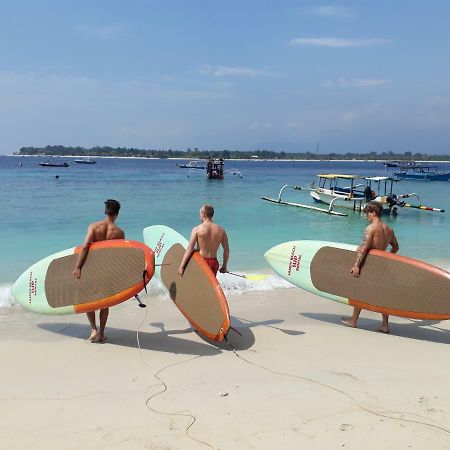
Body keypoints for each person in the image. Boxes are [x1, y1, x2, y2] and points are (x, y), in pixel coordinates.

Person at [342, 202, 399, 333]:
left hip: (370, 264)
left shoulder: (370, 228)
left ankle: (354, 321)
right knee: (382, 294)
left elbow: (365, 248)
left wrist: (356, 266)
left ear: (373, 213)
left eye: (367, 213)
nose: (366, 216)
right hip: (382, 265)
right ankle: (385, 325)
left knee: (360, 291)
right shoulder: (389, 230)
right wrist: (385, 257)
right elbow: (396, 247)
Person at [73, 199, 125, 342]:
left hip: (92, 268)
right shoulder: (119, 232)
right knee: (105, 302)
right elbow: (120, 255)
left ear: (105, 211)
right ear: (117, 214)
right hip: (107, 270)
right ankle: (102, 333)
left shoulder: (94, 227)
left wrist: (78, 267)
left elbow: (85, 246)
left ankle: (93, 329)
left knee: (89, 299)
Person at [178, 204, 229, 277]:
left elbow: (190, 249)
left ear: (204, 214)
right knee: (209, 287)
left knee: (199, 285)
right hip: (214, 262)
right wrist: (224, 266)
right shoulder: (221, 230)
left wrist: (181, 267)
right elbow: (226, 250)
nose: (199, 215)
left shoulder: (197, 229)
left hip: (201, 262)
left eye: (200, 213)